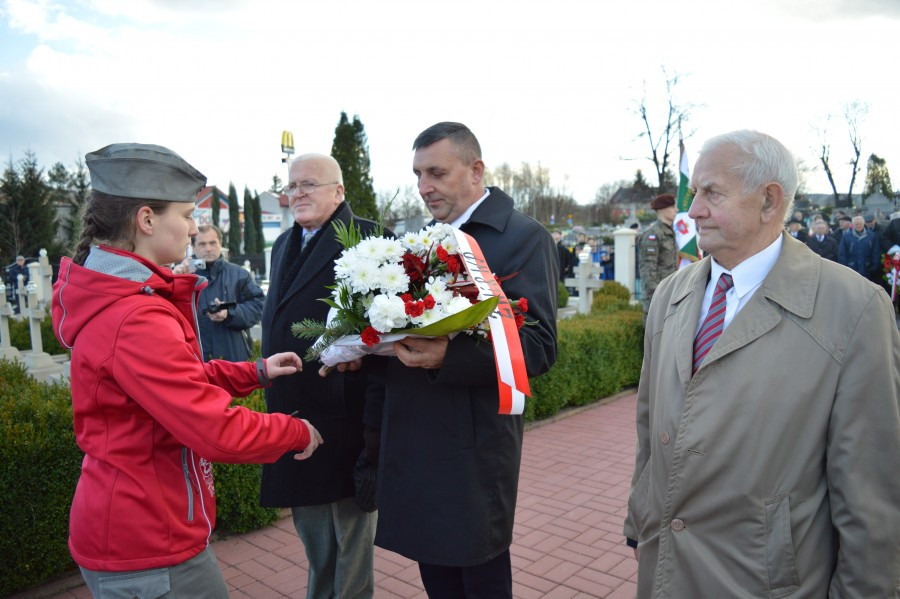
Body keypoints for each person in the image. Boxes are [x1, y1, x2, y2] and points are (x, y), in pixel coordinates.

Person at [623, 130, 900, 597]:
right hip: (665, 568)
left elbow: (870, 495)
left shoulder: (854, 308)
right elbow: (651, 427)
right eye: (694, 194)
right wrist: (640, 516)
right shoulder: (672, 294)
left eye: (712, 193)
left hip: (763, 582)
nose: (693, 211)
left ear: (769, 202)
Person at [51, 143, 324, 599]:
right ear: (146, 220)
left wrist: (254, 371)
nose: (194, 227)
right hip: (148, 539)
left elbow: (175, 383)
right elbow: (212, 427)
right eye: (185, 213)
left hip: (137, 525)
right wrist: (294, 433)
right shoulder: (134, 317)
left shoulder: (120, 299)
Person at [347, 122, 558, 598]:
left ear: (476, 170)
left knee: (477, 577)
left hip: (472, 440)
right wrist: (359, 349)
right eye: (418, 174)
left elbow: (540, 346)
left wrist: (448, 355)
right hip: (412, 432)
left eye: (437, 173)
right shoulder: (419, 240)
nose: (424, 187)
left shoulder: (522, 237)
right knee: (436, 578)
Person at [260, 153, 380, 599]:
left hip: (344, 408)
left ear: (339, 191)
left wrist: (359, 357)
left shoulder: (369, 239)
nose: (297, 194)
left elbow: (388, 326)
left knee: (351, 535)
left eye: (309, 184)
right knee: (312, 531)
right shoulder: (283, 243)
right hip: (292, 405)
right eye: (291, 186)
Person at [174, 224, 264, 362]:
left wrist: (230, 313)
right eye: (202, 244)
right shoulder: (183, 276)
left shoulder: (239, 274)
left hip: (234, 358)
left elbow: (258, 307)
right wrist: (176, 281)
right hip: (196, 358)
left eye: (212, 243)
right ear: (193, 247)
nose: (208, 248)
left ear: (220, 243)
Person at [638, 193, 678, 322]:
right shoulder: (653, 234)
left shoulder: (669, 232)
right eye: (672, 207)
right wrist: (657, 295)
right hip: (657, 297)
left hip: (670, 293)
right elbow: (648, 270)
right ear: (662, 209)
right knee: (656, 338)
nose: (676, 210)